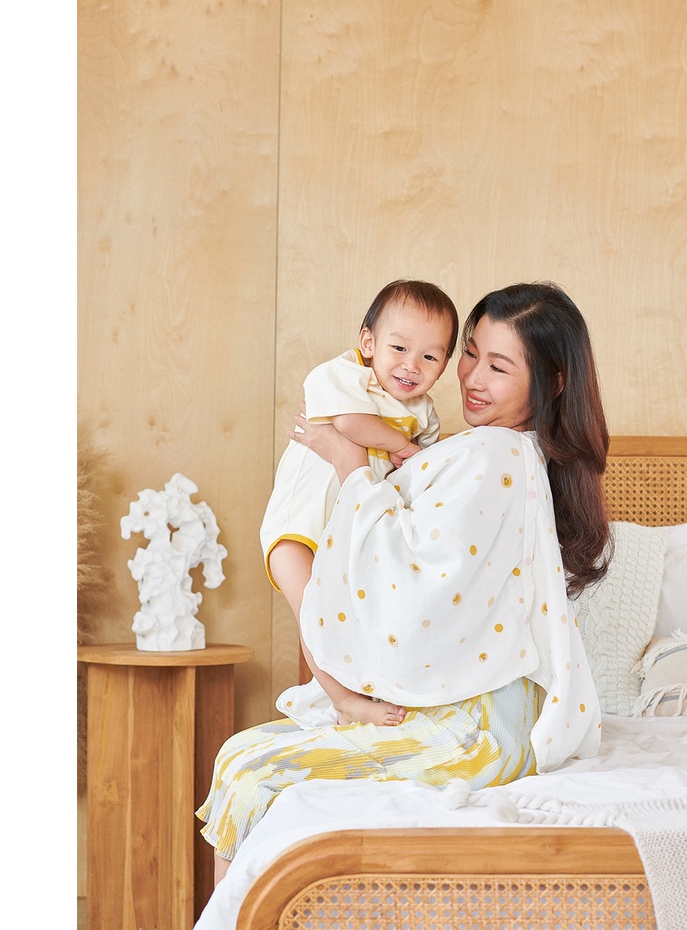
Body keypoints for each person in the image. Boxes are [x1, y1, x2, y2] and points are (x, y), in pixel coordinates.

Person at [197, 281, 612, 887]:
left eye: (498, 367)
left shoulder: (493, 455)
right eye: (470, 353)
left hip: (476, 730)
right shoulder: (489, 448)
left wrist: (348, 463)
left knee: (248, 770)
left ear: (550, 384)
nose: (472, 378)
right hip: (473, 713)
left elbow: (416, 577)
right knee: (244, 759)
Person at [261, 279, 460, 726]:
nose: (411, 365)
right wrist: (403, 446)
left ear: (445, 365)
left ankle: (365, 689)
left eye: (430, 357)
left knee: (342, 616)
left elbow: (421, 477)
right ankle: (343, 699)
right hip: (297, 524)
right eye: (399, 348)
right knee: (312, 613)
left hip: (349, 536)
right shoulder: (343, 373)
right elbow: (351, 423)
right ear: (369, 343)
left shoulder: (424, 413)